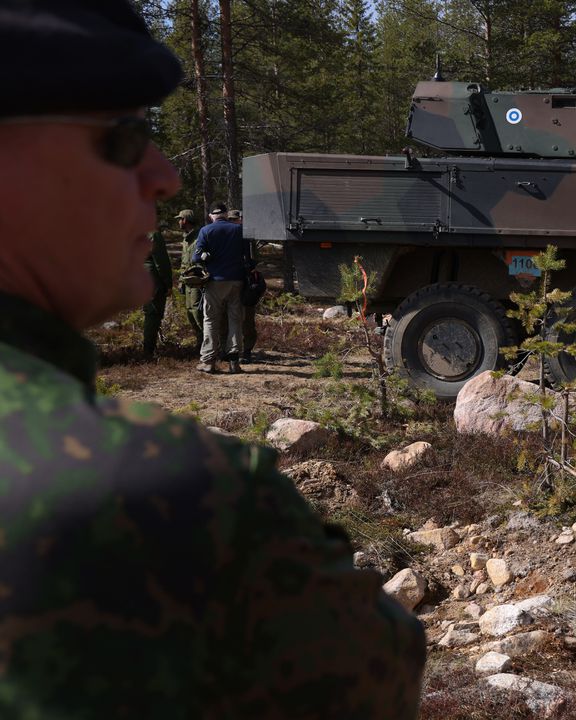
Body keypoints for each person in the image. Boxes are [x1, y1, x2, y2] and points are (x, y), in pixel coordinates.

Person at [0, 3, 425, 718]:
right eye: (125, 139)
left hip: (212, 287)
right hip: (235, 288)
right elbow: (377, 669)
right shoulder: (171, 495)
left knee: (211, 329)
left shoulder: (205, 236)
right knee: (229, 330)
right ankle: (227, 361)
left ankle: (215, 363)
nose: (164, 175)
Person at [192, 202, 251, 373]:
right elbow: (248, 257)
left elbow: (196, 258)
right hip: (237, 280)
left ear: (211, 216)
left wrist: (208, 257)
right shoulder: (239, 230)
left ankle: (208, 361)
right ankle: (234, 362)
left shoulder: (206, 230)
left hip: (215, 280)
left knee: (210, 320)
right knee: (235, 319)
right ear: (225, 214)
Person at [228, 208, 261, 362]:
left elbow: (254, 259)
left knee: (247, 317)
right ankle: (232, 349)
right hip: (232, 279)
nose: (234, 223)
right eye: (231, 220)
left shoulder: (248, 236)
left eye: (235, 220)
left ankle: (246, 350)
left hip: (246, 281)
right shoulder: (227, 236)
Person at [174, 208, 204, 348]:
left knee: (197, 312)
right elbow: (183, 263)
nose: (179, 222)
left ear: (185, 220)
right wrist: (181, 281)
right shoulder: (186, 239)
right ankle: (200, 342)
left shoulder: (199, 237)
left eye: (180, 219)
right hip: (187, 282)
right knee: (190, 313)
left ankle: (207, 344)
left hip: (197, 282)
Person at [140, 228, 171, 357]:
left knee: (149, 313)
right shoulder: (153, 234)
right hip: (153, 280)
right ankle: (148, 352)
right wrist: (168, 283)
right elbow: (161, 262)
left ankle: (148, 349)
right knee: (153, 314)